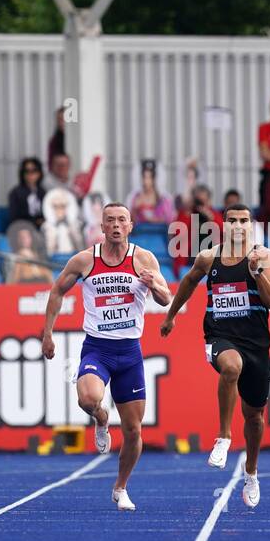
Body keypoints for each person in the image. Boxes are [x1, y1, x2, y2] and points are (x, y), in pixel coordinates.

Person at [41, 204, 172, 511]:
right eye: (110, 220)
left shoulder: (143, 259)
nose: (115, 225)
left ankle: (121, 487)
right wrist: (47, 333)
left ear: (130, 225)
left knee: (134, 430)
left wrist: (154, 285)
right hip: (97, 349)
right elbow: (57, 291)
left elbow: (167, 298)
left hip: (129, 352)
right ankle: (101, 418)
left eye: (121, 220)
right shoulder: (86, 260)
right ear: (101, 226)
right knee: (87, 399)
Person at [160, 204, 270, 508]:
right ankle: (223, 437)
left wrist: (257, 273)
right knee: (231, 366)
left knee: (254, 417)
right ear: (223, 226)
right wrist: (171, 316)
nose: (238, 226)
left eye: (243, 221)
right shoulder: (208, 257)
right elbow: (188, 282)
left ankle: (251, 472)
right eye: (232, 221)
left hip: (256, 343)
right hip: (220, 336)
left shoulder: (265, 257)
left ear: (250, 225)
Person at [170, 185, 224, 274]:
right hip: (189, 259)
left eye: (203, 201)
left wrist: (211, 218)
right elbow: (177, 234)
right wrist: (188, 213)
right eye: (197, 201)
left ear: (209, 201)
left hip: (213, 258)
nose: (200, 205)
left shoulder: (214, 214)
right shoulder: (186, 214)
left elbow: (224, 232)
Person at [126, 159, 175, 224]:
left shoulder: (164, 199)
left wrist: (151, 220)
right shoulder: (134, 197)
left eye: (150, 177)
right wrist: (135, 209)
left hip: (159, 232)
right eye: (144, 177)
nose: (146, 181)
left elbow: (169, 219)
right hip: (140, 232)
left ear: (155, 179)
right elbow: (129, 222)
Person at [7, 157, 47, 230]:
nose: (30, 174)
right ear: (22, 173)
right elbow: (15, 218)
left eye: (34, 170)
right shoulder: (15, 193)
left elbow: (47, 213)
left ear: (39, 173)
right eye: (27, 171)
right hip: (22, 228)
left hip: (42, 227)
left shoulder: (42, 192)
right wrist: (35, 222)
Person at [41, 188, 83, 257]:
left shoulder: (76, 225)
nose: (59, 210)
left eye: (62, 206)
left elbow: (80, 247)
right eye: (56, 207)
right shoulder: (46, 227)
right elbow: (47, 251)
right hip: (54, 261)